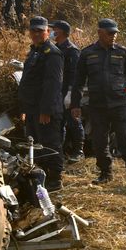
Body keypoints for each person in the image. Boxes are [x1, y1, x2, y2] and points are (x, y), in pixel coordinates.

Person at [70, 19, 126, 195]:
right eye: (110, 33)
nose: (113, 36)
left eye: (115, 33)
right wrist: (75, 104)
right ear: (100, 33)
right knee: (99, 142)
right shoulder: (87, 53)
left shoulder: (123, 53)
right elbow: (78, 82)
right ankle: (106, 172)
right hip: (98, 106)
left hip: (120, 104)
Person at [18, 16, 64, 191]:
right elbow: (27, 83)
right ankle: (41, 177)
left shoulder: (52, 53)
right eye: (33, 30)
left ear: (48, 32)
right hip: (31, 108)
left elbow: (53, 84)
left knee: (50, 144)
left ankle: (55, 179)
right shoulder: (34, 52)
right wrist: (23, 108)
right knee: (35, 143)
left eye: (40, 30)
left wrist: (46, 110)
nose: (36, 34)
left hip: (46, 110)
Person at [51, 20, 84, 162]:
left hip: (68, 92)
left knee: (73, 121)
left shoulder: (72, 50)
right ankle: (59, 151)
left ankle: (79, 151)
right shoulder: (55, 48)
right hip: (57, 91)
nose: (53, 32)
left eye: (55, 29)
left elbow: (76, 74)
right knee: (59, 122)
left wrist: (71, 93)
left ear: (62, 32)